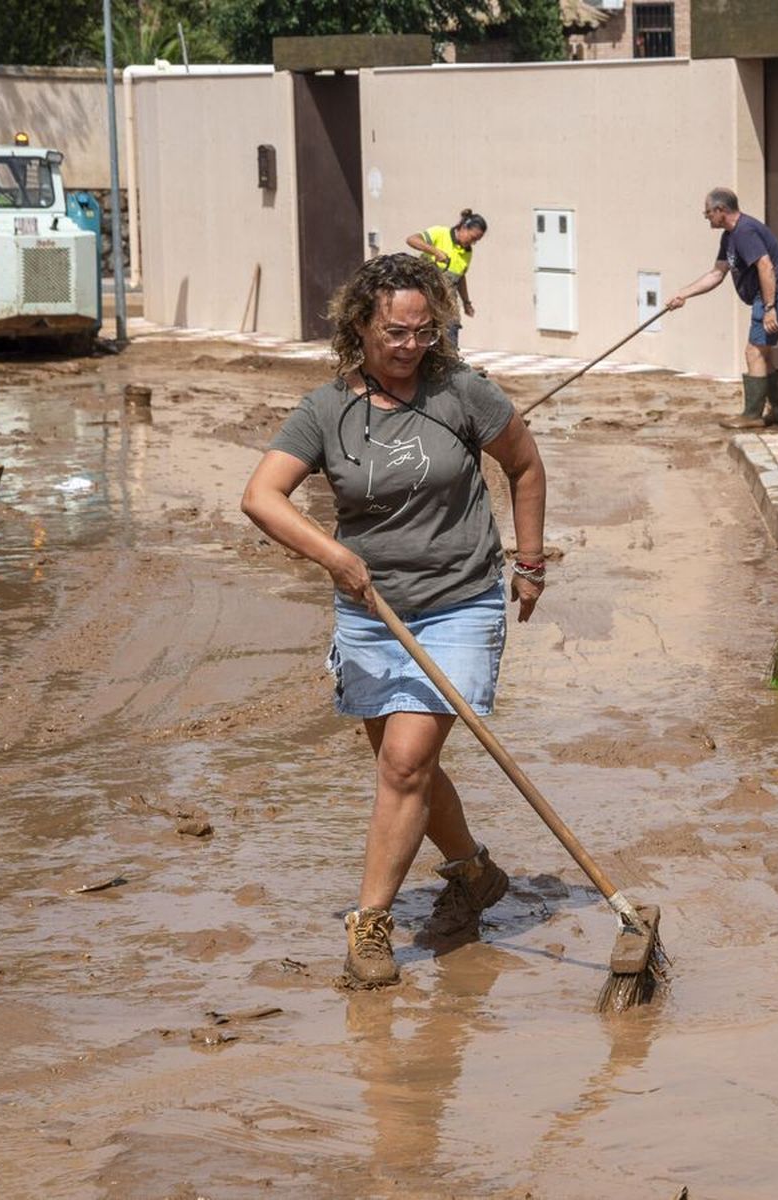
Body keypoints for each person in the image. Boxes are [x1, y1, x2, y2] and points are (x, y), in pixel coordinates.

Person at [240, 253, 547, 987]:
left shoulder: (462, 392)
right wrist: (333, 558)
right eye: (394, 333)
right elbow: (261, 496)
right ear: (359, 326)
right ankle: (474, 875)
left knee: (406, 763)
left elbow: (525, 465)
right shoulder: (324, 411)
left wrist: (529, 565)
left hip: (461, 601)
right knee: (402, 768)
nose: (409, 346)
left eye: (422, 331)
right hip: (372, 613)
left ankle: (370, 927)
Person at [666, 187, 778, 429]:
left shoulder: (744, 231)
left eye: (708, 212)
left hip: (777, 292)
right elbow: (717, 274)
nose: (706, 216)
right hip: (773, 293)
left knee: (754, 352)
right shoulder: (729, 237)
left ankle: (752, 415)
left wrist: (770, 307)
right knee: (763, 352)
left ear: (721, 210)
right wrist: (683, 294)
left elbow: (765, 266)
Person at [406, 210, 487, 349]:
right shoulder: (440, 233)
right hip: (425, 294)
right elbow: (412, 240)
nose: (473, 243)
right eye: (472, 237)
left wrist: (466, 302)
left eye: (476, 240)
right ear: (463, 227)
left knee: (451, 329)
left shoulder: (467, 253)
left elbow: (460, 277)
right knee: (423, 328)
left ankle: (450, 361)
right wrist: (435, 251)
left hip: (448, 301)